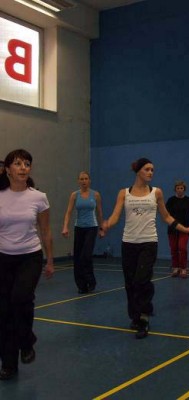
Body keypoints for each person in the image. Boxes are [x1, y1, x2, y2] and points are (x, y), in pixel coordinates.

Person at [102, 158, 189, 339]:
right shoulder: (124, 193)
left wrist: (185, 229)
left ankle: (144, 318)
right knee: (130, 283)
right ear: (138, 171)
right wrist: (107, 224)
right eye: (147, 169)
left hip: (149, 243)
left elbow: (167, 217)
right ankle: (135, 316)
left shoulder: (156, 193)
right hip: (128, 243)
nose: (151, 172)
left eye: (152, 170)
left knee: (142, 280)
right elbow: (115, 216)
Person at [0, 149, 54, 380]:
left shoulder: (38, 197)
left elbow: (46, 230)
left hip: (30, 257)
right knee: (4, 312)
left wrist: (50, 260)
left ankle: (26, 340)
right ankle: (9, 364)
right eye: (18, 164)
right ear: (7, 169)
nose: (23, 168)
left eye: (27, 164)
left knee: (21, 297)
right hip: (3, 258)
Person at [62, 171, 104, 294]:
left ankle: (91, 281)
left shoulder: (95, 195)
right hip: (79, 228)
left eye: (86, 179)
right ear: (78, 181)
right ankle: (81, 285)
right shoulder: (74, 195)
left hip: (91, 227)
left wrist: (102, 228)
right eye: (81, 179)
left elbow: (99, 213)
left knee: (86, 255)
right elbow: (68, 212)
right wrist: (65, 227)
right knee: (78, 257)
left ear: (89, 181)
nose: (84, 181)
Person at [166, 180, 189, 278]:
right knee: (173, 248)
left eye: (181, 188)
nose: (179, 190)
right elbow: (166, 215)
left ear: (184, 189)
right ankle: (175, 267)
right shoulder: (171, 200)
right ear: (175, 189)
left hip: (185, 228)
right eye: (178, 188)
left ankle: (183, 268)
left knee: (182, 248)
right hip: (172, 228)